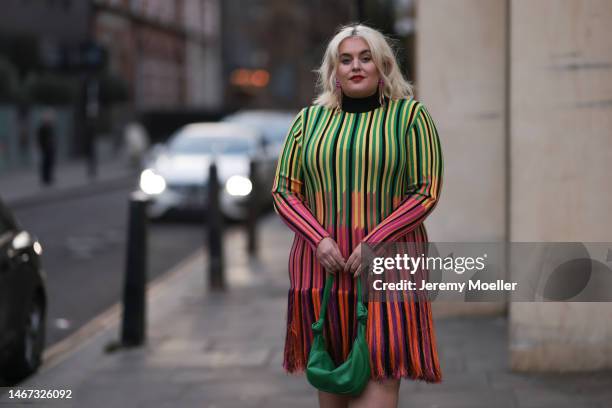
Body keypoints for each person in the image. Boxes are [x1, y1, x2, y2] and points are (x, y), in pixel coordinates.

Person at [271, 23, 444, 407]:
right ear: (333, 71)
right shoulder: (308, 122)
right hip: (322, 274)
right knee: (331, 388)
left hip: (389, 274)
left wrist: (374, 242)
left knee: (380, 377)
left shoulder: (411, 117)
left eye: (365, 58)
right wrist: (319, 239)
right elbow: (284, 191)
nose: (356, 66)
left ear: (383, 65)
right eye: (345, 59)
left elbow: (426, 191)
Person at [37, 109, 56, 186]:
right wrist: (42, 146)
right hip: (45, 148)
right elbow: (40, 139)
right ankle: (45, 178)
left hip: (50, 148)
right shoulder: (42, 128)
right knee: (45, 163)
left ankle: (49, 177)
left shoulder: (50, 127)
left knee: (50, 162)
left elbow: (52, 138)